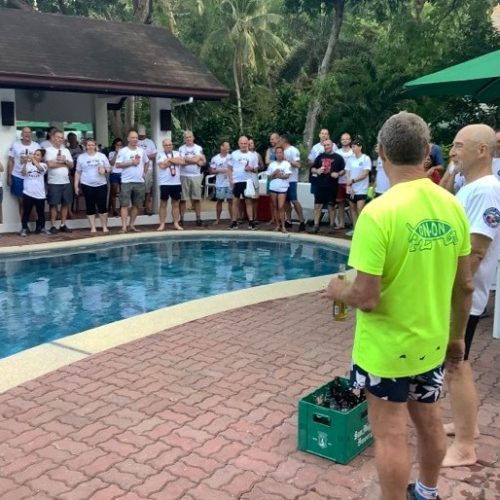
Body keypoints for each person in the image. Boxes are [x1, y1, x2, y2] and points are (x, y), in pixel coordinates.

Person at [325, 111, 473, 500]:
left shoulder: (378, 212)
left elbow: (366, 297)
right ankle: (426, 492)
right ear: (426, 152)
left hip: (386, 350)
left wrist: (338, 290)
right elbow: (464, 286)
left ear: (380, 152)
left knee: (390, 434)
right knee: (430, 422)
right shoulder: (452, 206)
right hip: (431, 343)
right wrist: (457, 338)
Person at [442, 124, 500, 468]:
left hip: (463, 296)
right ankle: (467, 426)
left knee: (456, 365)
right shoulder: (471, 187)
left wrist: (451, 291)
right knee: (456, 365)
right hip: (459, 294)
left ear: (482, 150)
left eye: (459, 145)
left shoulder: (487, 191)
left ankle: (465, 446)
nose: (453, 151)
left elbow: (476, 251)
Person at [115, 129, 149, 233]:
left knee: (136, 205)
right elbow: (118, 165)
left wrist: (143, 173)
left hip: (139, 182)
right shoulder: (123, 151)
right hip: (126, 182)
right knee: (124, 205)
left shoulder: (141, 151)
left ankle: (132, 225)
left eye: (136, 138)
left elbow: (147, 162)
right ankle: (124, 227)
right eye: (133, 137)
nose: (135, 139)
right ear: (128, 139)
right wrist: (131, 162)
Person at [74, 139, 111, 233]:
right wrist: (76, 186)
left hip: (101, 184)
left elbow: (109, 168)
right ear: (85, 146)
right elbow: (78, 172)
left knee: (102, 206)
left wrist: (105, 171)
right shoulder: (81, 157)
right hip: (87, 184)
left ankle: (104, 226)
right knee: (90, 206)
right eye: (88, 145)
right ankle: (93, 227)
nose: (90, 147)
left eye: (92, 145)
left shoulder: (101, 156)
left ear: (95, 146)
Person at [309, 139, 345, 234]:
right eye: (324, 145)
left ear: (332, 145)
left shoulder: (338, 158)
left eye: (328, 145)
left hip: (332, 185)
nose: (326, 147)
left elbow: (343, 170)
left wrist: (338, 174)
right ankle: (316, 226)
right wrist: (317, 171)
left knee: (331, 206)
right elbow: (312, 168)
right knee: (317, 205)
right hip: (320, 184)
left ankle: (331, 226)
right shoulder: (320, 156)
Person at [45, 129, 74, 234]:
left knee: (65, 204)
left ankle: (63, 224)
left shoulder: (66, 151)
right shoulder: (48, 150)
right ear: (53, 138)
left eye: (61, 138)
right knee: (53, 204)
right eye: (58, 137)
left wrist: (65, 160)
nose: (60, 139)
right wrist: (64, 164)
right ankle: (53, 226)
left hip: (65, 181)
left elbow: (72, 165)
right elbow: (50, 165)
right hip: (53, 182)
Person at [7, 126, 40, 216]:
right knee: (21, 202)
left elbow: (40, 161)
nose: (27, 134)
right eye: (25, 132)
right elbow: (11, 161)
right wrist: (9, 177)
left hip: (32, 177)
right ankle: (24, 223)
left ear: (31, 134)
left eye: (29, 132)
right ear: (21, 134)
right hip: (17, 176)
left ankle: (34, 222)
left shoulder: (36, 146)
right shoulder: (15, 145)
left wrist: (31, 159)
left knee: (33, 201)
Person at [227, 136, 259, 230]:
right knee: (235, 201)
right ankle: (234, 222)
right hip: (237, 180)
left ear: (248, 144)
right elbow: (229, 168)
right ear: (238, 143)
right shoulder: (234, 154)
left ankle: (251, 222)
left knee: (248, 201)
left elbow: (256, 169)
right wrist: (230, 180)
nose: (243, 145)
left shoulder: (253, 155)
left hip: (248, 181)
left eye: (245, 143)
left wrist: (251, 169)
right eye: (242, 143)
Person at [19, 149, 50, 236]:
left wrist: (32, 159)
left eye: (37, 155)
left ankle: (42, 228)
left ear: (41, 157)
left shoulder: (44, 165)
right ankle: (24, 228)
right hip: (28, 193)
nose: (35, 156)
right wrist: (25, 163)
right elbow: (23, 173)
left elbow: (40, 169)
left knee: (41, 212)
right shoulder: (27, 165)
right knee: (26, 212)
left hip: (40, 194)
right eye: (34, 154)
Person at [345, 139, 372, 236]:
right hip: (352, 189)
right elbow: (347, 172)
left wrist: (353, 181)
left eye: (354, 146)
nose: (352, 148)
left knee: (360, 209)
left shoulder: (365, 158)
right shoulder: (350, 159)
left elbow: (365, 174)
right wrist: (349, 185)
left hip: (362, 189)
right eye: (352, 147)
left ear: (360, 147)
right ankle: (355, 229)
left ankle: (363, 229)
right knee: (352, 209)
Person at [157, 138, 185, 231]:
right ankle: (162, 224)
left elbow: (182, 162)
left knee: (176, 204)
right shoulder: (160, 154)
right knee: (163, 204)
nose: (168, 146)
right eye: (166, 145)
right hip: (164, 183)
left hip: (176, 183)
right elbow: (162, 165)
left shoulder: (177, 153)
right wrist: (174, 161)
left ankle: (176, 223)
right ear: (163, 146)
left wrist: (168, 160)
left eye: (170, 144)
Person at [179, 130, 206, 226]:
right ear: (184, 139)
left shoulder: (198, 148)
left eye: (190, 137)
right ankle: (181, 219)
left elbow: (200, 160)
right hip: (184, 176)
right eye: (186, 137)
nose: (188, 139)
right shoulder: (181, 148)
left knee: (197, 199)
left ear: (193, 137)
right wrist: (195, 161)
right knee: (183, 199)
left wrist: (187, 159)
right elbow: (182, 162)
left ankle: (198, 218)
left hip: (196, 176)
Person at [282, 134, 306, 232]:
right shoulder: (281, 151)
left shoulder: (293, 150)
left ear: (284, 140)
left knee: (294, 200)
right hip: (283, 180)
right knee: (286, 201)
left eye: (280, 140)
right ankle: (288, 220)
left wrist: (288, 160)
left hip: (291, 180)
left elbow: (298, 164)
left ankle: (302, 221)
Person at [266, 146, 292, 232]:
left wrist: (279, 176)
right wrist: (274, 173)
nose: (279, 154)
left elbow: (287, 175)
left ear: (283, 154)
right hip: (273, 187)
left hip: (282, 188)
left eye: (280, 152)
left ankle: (283, 226)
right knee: (275, 206)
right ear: (275, 154)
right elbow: (269, 177)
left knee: (281, 207)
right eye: (277, 153)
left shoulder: (286, 164)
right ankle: (277, 225)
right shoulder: (272, 164)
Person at [210, 141, 233, 225]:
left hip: (229, 182)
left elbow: (236, 168)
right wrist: (221, 170)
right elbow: (212, 170)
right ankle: (218, 219)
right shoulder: (215, 158)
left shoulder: (232, 157)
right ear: (221, 147)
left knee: (231, 201)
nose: (228, 148)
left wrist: (229, 171)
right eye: (226, 146)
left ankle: (232, 219)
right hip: (220, 183)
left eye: (229, 146)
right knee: (219, 200)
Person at [335, 133, 354, 229]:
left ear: (350, 140)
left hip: (351, 181)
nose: (345, 141)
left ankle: (355, 225)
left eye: (346, 139)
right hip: (340, 181)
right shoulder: (337, 152)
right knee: (340, 203)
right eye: (343, 139)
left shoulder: (353, 152)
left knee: (352, 204)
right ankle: (341, 223)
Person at [137, 125, 157, 216]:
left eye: (143, 135)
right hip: (136, 169)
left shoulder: (150, 142)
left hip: (148, 169)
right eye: (140, 135)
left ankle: (147, 207)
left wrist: (144, 157)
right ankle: (138, 207)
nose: (141, 136)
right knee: (137, 189)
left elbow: (154, 155)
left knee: (148, 190)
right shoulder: (135, 142)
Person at [248, 137, 264, 222]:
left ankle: (255, 217)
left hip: (254, 179)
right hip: (246, 180)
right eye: (249, 143)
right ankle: (246, 218)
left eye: (252, 143)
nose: (250, 145)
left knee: (255, 199)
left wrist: (257, 168)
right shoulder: (243, 155)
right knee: (246, 199)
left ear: (254, 145)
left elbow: (262, 166)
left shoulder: (257, 155)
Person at [108, 138, 123, 216]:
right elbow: (111, 163)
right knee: (113, 192)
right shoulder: (111, 153)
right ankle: (114, 210)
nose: (119, 146)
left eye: (120, 145)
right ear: (114, 145)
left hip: (123, 174)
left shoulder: (125, 153)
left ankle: (121, 209)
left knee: (123, 192)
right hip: (114, 173)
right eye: (117, 145)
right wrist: (116, 153)